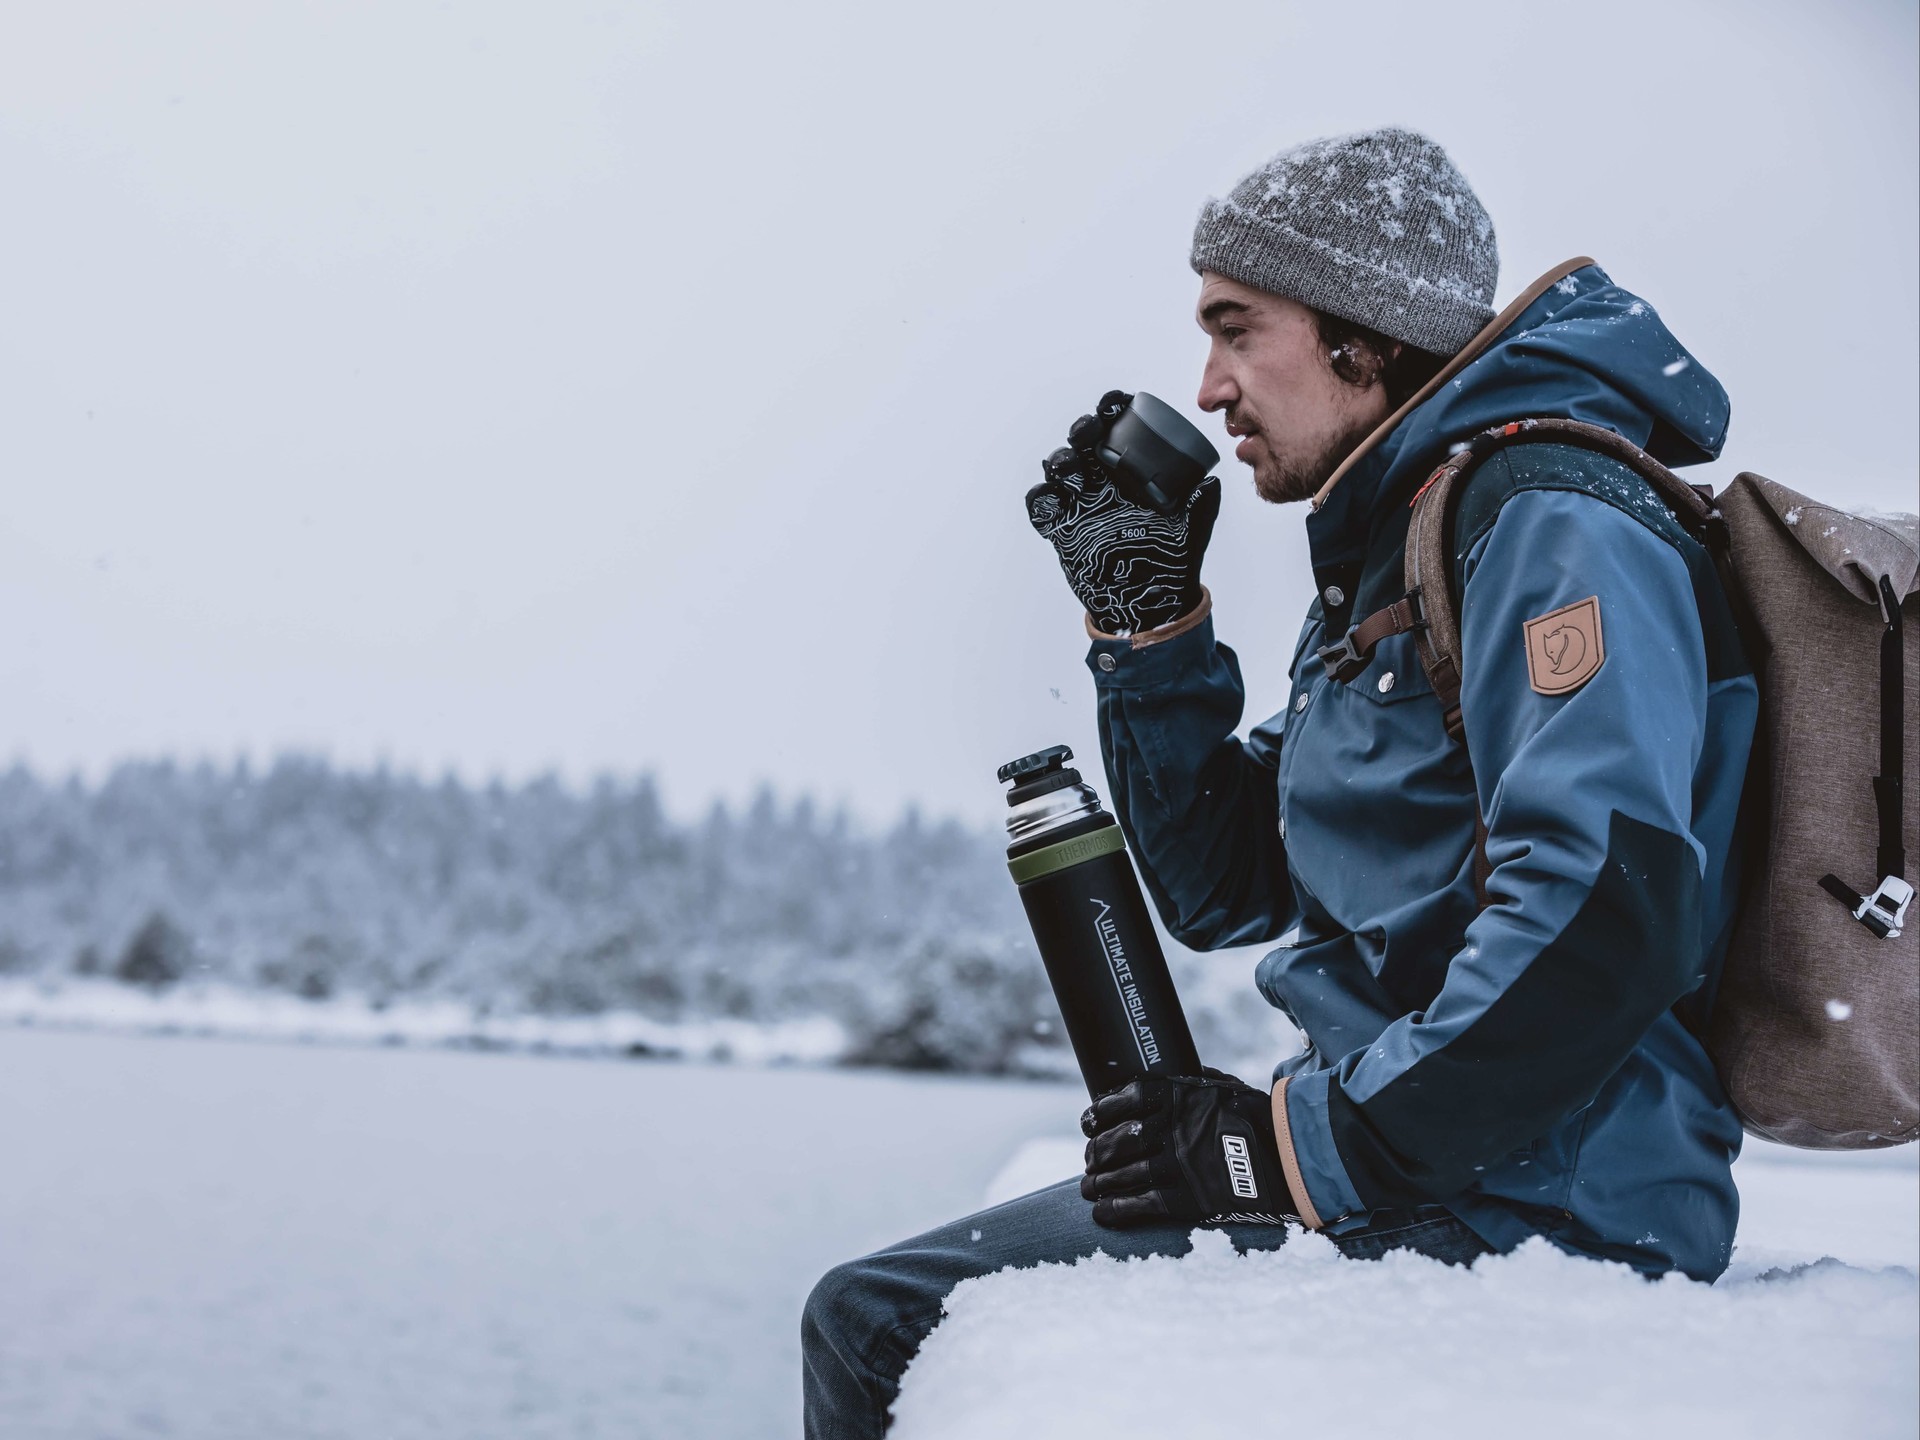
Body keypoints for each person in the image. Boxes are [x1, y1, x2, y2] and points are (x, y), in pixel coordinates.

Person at [802, 125, 1755, 1437]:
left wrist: (1291, 1149)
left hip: (1542, 1211)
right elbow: (1230, 885)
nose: (1209, 385)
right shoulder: (1401, 540)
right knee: (872, 1314)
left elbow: (1603, 905)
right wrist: (1148, 628)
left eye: (1239, 327)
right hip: (1423, 1180)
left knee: (879, 1326)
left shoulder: (1548, 518)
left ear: (1365, 326)